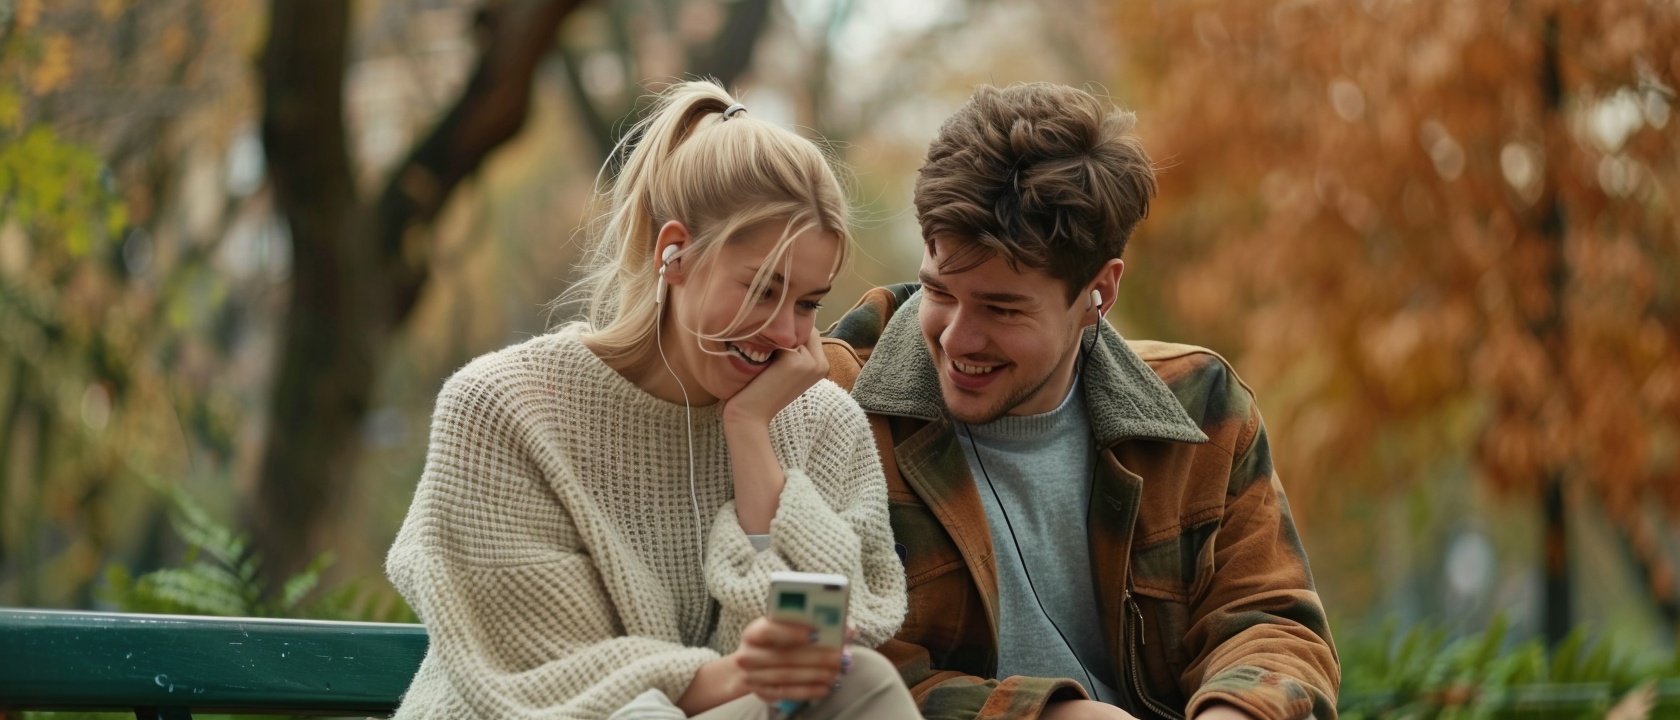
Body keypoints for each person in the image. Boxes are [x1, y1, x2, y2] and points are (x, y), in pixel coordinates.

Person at [386, 80, 919, 720]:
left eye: (808, 303)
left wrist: (750, 434)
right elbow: (546, 675)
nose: (785, 333)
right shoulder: (506, 409)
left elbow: (814, 659)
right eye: (761, 289)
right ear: (676, 253)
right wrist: (737, 673)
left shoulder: (824, 424)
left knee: (860, 682)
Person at [823, 83, 1340, 719]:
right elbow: (828, 666)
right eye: (941, 293)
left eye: (1001, 308)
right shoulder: (833, 406)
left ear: (1100, 292)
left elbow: (1273, 624)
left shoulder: (1203, 412)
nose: (957, 337)